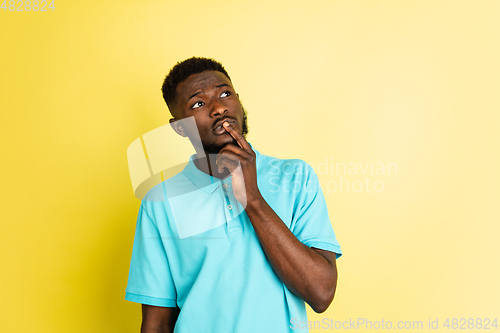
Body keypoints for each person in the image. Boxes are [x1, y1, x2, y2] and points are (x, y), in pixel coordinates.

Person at [125, 57, 342, 333]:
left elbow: (321, 293)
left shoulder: (295, 177)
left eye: (225, 94)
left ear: (238, 101)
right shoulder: (161, 201)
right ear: (180, 127)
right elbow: (157, 322)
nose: (218, 108)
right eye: (198, 104)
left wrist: (252, 199)